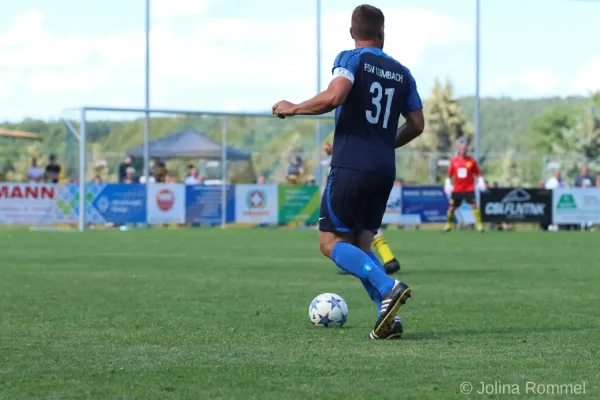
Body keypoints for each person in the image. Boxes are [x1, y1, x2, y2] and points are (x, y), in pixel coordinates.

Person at [272, 4, 424, 339]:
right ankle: (389, 320)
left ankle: (388, 286)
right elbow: (417, 124)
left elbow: (335, 96)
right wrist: (385, 143)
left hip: (351, 165)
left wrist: (294, 108)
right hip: (384, 169)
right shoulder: (403, 72)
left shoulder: (351, 59)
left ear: (352, 32)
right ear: (382, 31)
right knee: (362, 245)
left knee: (329, 243)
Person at [322, 141, 401, 276]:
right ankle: (388, 258)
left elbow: (356, 147)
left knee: (332, 239)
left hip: (352, 180)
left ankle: (359, 265)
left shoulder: (354, 130)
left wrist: (334, 150)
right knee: (366, 228)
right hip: (380, 173)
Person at [443, 138, 487, 232]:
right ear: (459, 149)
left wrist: (481, 181)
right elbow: (449, 175)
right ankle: (448, 225)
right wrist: (447, 184)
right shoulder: (454, 161)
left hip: (469, 189)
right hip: (457, 189)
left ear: (466, 150)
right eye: (461, 148)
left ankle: (479, 225)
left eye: (464, 149)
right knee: (451, 208)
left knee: (474, 206)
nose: (463, 150)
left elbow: (478, 173)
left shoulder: (471, 161)